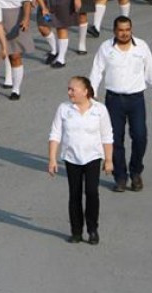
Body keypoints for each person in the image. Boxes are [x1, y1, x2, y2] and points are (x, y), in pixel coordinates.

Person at [88, 16, 152, 193]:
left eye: (127, 29)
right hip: (113, 100)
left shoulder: (142, 47)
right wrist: (91, 96)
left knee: (140, 136)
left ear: (131, 29)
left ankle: (136, 171)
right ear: (114, 31)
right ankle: (120, 177)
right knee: (114, 140)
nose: (124, 33)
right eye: (121, 30)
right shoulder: (106, 48)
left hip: (136, 99)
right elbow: (96, 71)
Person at [47, 76, 114, 245]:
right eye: (68, 89)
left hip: (92, 157)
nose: (69, 92)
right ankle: (76, 231)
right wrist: (52, 159)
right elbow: (55, 134)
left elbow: (107, 135)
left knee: (92, 193)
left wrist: (108, 160)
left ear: (85, 91)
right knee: (74, 195)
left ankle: (92, 229)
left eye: (73, 89)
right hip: (72, 158)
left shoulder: (100, 110)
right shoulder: (64, 109)